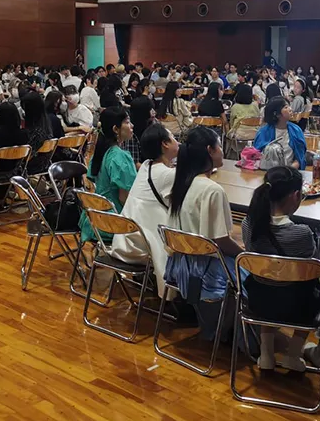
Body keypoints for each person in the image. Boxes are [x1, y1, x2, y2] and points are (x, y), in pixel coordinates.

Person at [164, 127, 243, 338]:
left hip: (178, 265)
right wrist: (243, 254)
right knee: (254, 270)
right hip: (205, 271)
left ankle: (218, 327)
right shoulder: (212, 190)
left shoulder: (182, 183)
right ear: (210, 150)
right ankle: (236, 332)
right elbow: (221, 241)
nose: (222, 151)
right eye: (220, 146)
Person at [242, 166, 320, 372]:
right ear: (295, 195)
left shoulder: (248, 225)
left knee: (267, 280)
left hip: (258, 301)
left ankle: (266, 355)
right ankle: (293, 355)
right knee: (315, 289)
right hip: (297, 306)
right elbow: (314, 267)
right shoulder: (302, 233)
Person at [109, 123, 179, 296]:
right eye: (173, 138)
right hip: (143, 247)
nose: (177, 142)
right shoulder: (167, 174)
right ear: (165, 144)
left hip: (124, 240)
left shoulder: (147, 165)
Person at [79, 107, 137, 245]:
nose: (132, 126)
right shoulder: (120, 157)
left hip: (94, 217)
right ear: (116, 129)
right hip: (113, 221)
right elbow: (124, 198)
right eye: (127, 122)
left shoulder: (101, 152)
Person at [254, 97, 307, 169]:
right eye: (286, 107)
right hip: (267, 171)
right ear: (276, 114)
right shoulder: (264, 132)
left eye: (289, 106)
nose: (290, 109)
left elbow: (300, 157)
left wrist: (288, 170)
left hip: (291, 171)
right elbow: (256, 156)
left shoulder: (296, 130)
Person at [122, 96, 155, 165]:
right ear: (143, 112)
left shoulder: (153, 123)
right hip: (144, 168)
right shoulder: (132, 133)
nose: (154, 112)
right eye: (150, 110)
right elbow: (134, 163)